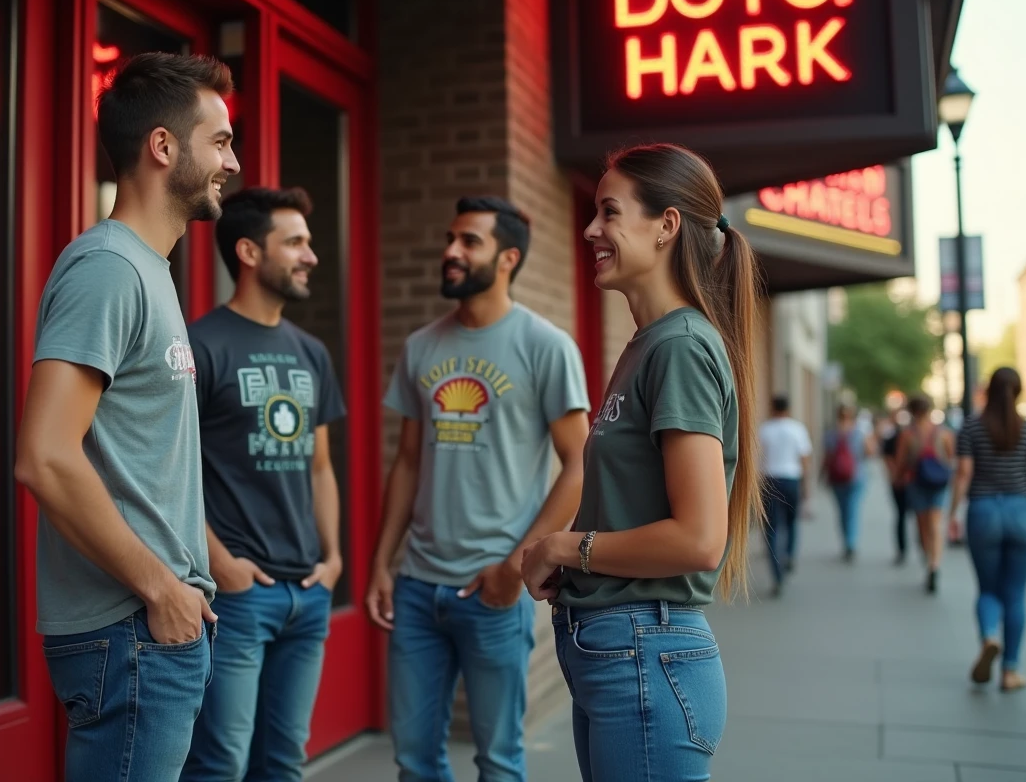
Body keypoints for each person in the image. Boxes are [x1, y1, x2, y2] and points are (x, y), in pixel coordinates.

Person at [15, 52, 239, 781]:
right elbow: (45, 454)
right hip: (130, 632)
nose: (231, 162)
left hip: (150, 633)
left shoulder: (150, 272)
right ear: (163, 146)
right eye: (221, 140)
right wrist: (160, 588)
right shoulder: (110, 267)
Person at [520, 143, 762, 781]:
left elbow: (698, 539)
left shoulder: (679, 347)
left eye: (608, 211)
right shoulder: (650, 345)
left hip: (644, 656)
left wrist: (564, 548)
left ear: (667, 225)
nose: (591, 229)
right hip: (624, 653)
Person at [365, 196, 591, 781]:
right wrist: (383, 563)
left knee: (498, 761)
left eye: (469, 242)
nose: (451, 252)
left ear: (509, 258)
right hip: (416, 587)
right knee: (415, 761)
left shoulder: (546, 346)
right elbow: (408, 462)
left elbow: (579, 464)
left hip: (490, 590)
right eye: (450, 239)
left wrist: (516, 566)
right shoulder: (421, 346)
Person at [181, 187, 346, 781]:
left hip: (307, 592)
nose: (311, 256)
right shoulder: (200, 347)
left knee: (284, 762)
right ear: (249, 252)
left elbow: (320, 466)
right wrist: (220, 562)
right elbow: (171, 474)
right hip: (239, 597)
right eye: (296, 242)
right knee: (219, 764)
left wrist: (332, 559)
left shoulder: (311, 352)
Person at [947, 368, 1026, 691]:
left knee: (987, 589)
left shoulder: (971, 427)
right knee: (1015, 594)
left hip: (983, 512)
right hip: (1022, 513)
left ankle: (988, 638)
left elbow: (963, 473)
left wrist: (953, 513)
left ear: (989, 391)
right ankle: (1010, 670)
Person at [893, 394, 955, 593]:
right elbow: (950, 459)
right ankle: (934, 565)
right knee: (936, 525)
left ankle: (929, 560)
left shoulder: (908, 435)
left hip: (917, 483)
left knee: (922, 526)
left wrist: (897, 479)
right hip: (938, 484)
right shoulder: (943, 433)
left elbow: (901, 462)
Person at [758, 395, 812, 595]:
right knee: (791, 522)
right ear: (788, 409)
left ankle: (777, 575)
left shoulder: (765, 429)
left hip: (770, 480)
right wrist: (806, 486)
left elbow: (758, 459)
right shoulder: (797, 429)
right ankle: (789, 554)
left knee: (771, 529)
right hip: (792, 479)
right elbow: (804, 458)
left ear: (772, 408)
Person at [823, 404, 875, 562]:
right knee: (852, 510)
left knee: (843, 511)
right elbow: (870, 452)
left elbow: (828, 458)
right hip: (857, 476)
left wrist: (822, 476)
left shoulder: (831, 434)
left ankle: (847, 541)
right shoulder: (860, 432)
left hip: (837, 478)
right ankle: (850, 543)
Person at [880, 409, 912, 565]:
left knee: (902, 516)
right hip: (905, 481)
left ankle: (904, 549)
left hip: (905, 481)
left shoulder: (906, 436)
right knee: (905, 516)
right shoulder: (895, 437)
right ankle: (905, 549)